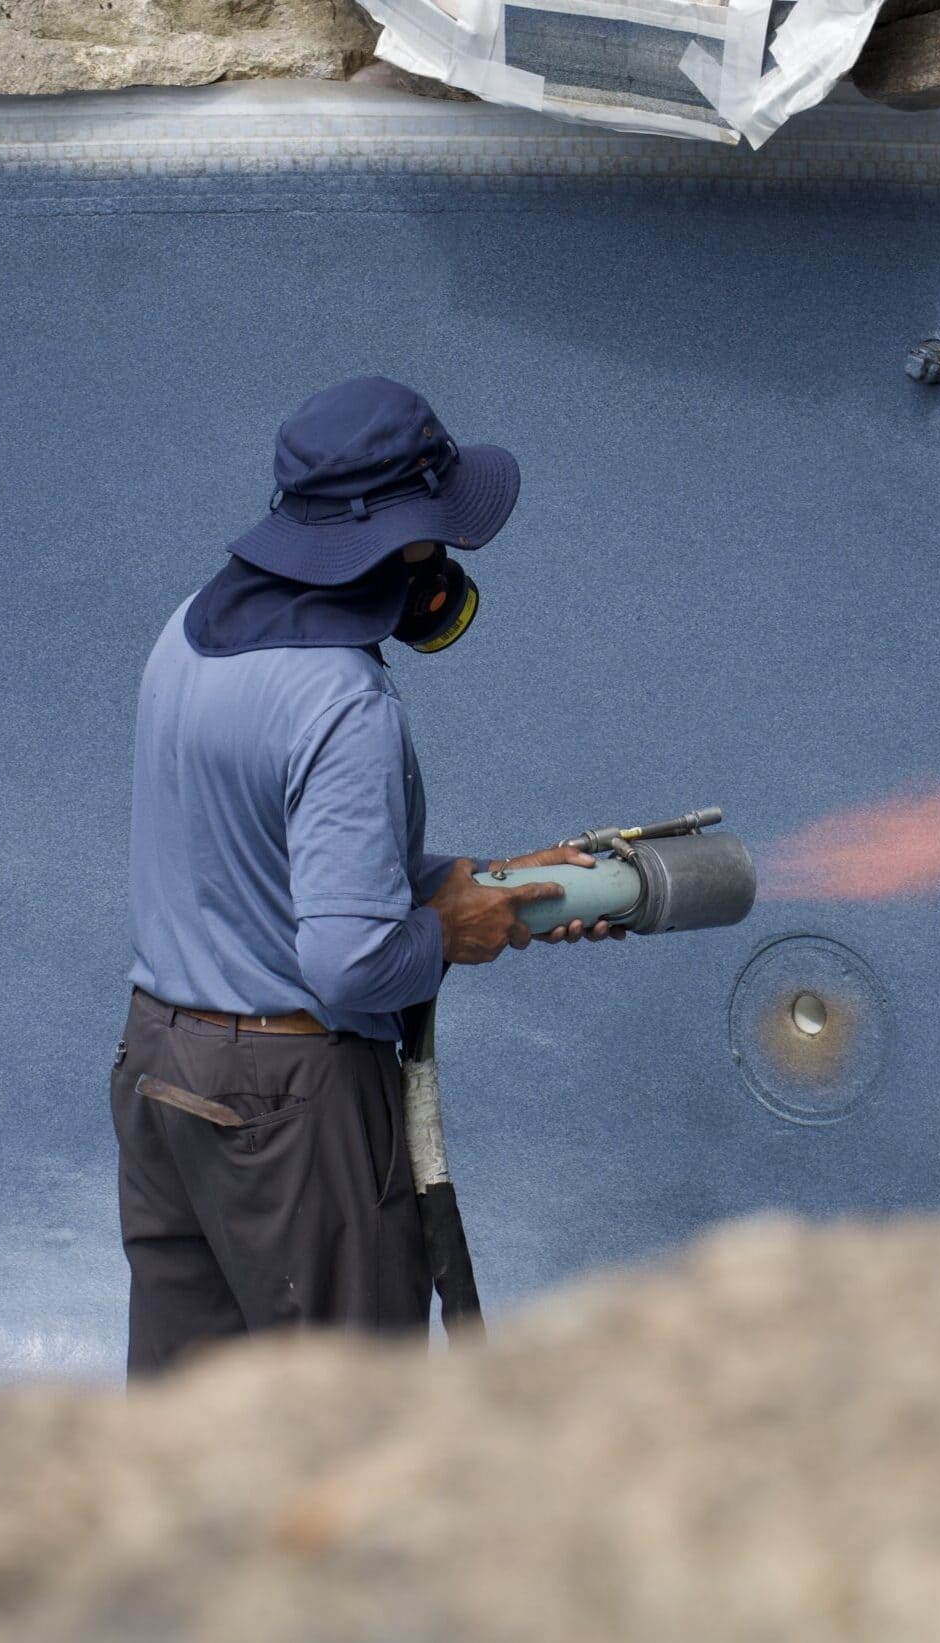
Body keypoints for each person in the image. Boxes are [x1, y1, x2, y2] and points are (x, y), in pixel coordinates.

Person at [110, 375, 622, 1376]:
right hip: (290, 1114)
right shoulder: (343, 704)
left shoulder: (189, 633)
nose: (449, 561)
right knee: (352, 1443)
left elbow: (258, 860)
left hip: (160, 1076)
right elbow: (348, 964)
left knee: (185, 1443)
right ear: (399, 547)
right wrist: (448, 934)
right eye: (438, 534)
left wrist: (488, 883)